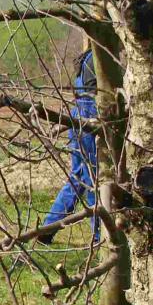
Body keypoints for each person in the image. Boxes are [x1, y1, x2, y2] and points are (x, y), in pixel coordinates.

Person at [39, 48, 101, 245]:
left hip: (81, 116)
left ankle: (48, 229)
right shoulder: (98, 58)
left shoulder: (90, 56)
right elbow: (97, 95)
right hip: (89, 118)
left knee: (82, 176)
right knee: (92, 178)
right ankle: (99, 237)